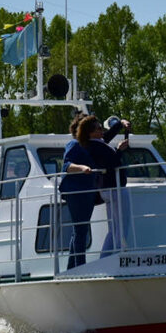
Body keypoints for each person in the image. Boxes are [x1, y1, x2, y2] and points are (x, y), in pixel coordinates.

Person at [80, 115, 132, 257]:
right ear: (91, 132)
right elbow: (111, 164)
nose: (102, 130)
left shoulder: (95, 144)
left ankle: (106, 258)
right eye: (99, 128)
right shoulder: (96, 146)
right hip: (115, 189)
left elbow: (108, 136)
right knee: (121, 227)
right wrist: (119, 149)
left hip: (108, 189)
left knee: (114, 229)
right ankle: (117, 257)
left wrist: (120, 123)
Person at [59, 114, 96, 269]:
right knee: (80, 230)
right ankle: (80, 267)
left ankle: (72, 267)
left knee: (79, 230)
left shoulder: (89, 145)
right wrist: (82, 168)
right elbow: (66, 165)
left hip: (87, 190)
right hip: (76, 191)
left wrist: (119, 125)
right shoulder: (74, 144)